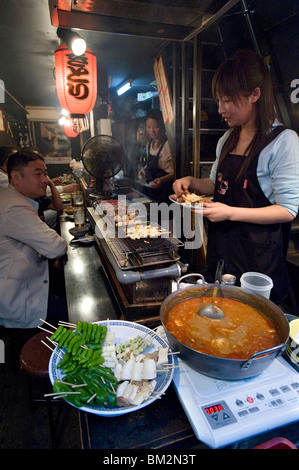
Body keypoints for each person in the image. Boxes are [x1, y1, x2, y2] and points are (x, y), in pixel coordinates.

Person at [173, 50, 299, 305]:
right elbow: (216, 185)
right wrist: (191, 182)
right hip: (222, 252)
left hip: (258, 260)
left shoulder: (284, 141)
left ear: (255, 94)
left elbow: (287, 210)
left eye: (227, 100)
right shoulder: (227, 139)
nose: (221, 109)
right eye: (219, 100)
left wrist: (229, 212)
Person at [0, 149, 68, 330]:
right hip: (21, 301)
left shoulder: (14, 198)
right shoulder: (14, 206)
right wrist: (45, 244)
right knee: (76, 316)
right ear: (16, 178)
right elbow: (56, 247)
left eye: (45, 174)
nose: (45, 180)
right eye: (38, 174)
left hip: (27, 284)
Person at [138, 109, 174, 204]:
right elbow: (150, 164)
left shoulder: (168, 145)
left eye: (155, 127)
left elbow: (175, 171)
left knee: (164, 217)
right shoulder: (149, 143)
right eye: (148, 127)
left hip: (165, 193)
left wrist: (162, 180)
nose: (152, 131)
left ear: (162, 126)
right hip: (152, 192)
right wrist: (144, 170)